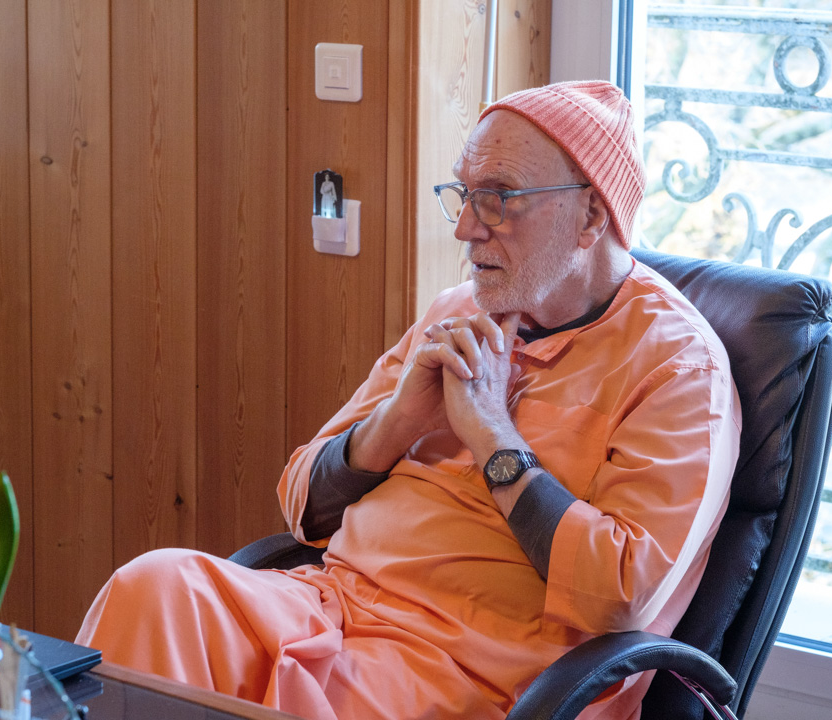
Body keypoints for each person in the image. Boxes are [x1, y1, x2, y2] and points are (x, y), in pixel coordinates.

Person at [76, 81, 741, 720]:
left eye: (498, 197)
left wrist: (491, 434)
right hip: (327, 607)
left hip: (469, 671)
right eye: (465, 195)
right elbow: (301, 502)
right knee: (155, 589)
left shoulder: (677, 366)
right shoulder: (456, 312)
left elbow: (619, 597)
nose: (466, 229)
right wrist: (399, 421)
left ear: (591, 214)